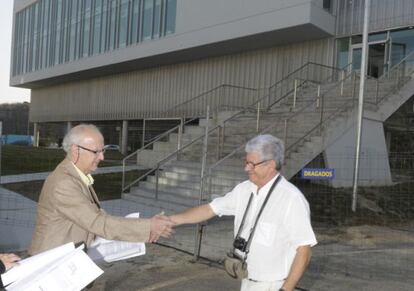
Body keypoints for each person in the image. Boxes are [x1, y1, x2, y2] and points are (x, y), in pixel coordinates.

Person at [170, 134, 317, 291]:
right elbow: (209, 209)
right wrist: (171, 220)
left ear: (271, 165)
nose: (246, 168)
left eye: (252, 164)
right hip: (247, 280)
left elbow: (304, 251)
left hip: (273, 285)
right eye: (246, 162)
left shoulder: (291, 198)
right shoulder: (243, 189)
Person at [29, 124, 174, 255]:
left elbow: (96, 218)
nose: (102, 157)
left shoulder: (76, 176)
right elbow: (98, 223)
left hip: (63, 261)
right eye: (96, 152)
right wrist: (149, 227)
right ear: (75, 150)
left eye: (102, 151)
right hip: (51, 268)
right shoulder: (64, 183)